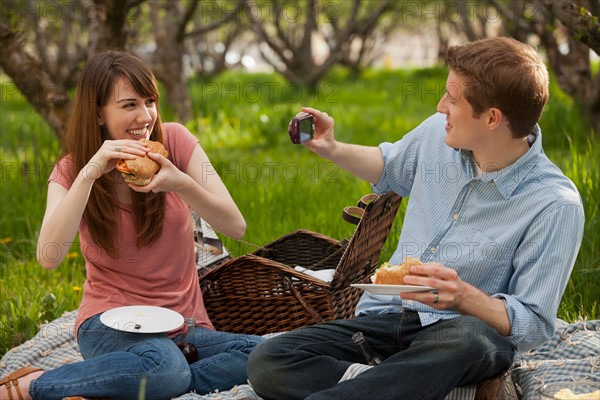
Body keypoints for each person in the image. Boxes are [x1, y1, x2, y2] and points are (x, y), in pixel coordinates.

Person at [247, 37, 585, 399]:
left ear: (491, 118)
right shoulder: (438, 136)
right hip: (386, 319)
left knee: (468, 340)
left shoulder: (554, 204)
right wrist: (331, 148)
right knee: (270, 359)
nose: (441, 107)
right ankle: (425, 389)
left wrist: (462, 297)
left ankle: (396, 384)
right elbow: (389, 167)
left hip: (459, 335)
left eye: (452, 100)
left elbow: (533, 325)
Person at [0, 51, 263, 400]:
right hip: (110, 322)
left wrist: (180, 183)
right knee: (164, 368)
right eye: (129, 105)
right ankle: (33, 385)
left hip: (184, 327)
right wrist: (90, 173)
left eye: (150, 101)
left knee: (264, 354)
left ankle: (109, 383)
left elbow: (236, 226)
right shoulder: (73, 169)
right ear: (97, 113)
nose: (145, 117)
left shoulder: (176, 142)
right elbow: (49, 257)